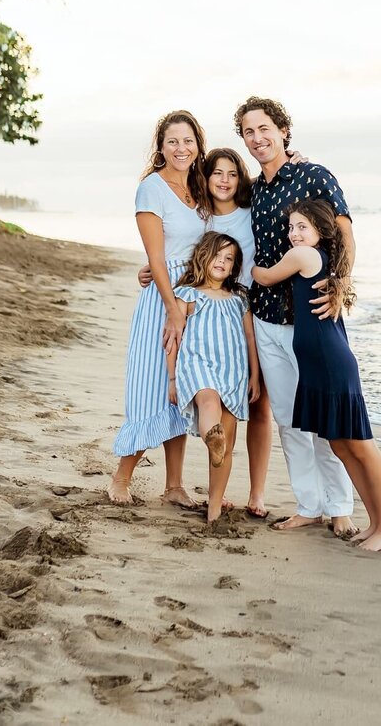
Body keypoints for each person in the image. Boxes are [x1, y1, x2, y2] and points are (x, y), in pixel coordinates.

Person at [235, 95, 358, 535]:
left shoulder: (314, 175)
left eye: (264, 128)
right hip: (266, 318)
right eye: (249, 132)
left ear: (283, 130)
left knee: (325, 419)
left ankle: (339, 506)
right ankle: (308, 504)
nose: (257, 138)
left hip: (312, 317)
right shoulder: (254, 190)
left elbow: (343, 228)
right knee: (289, 419)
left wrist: (341, 283)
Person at [253, 199, 381, 551]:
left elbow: (265, 276)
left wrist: (247, 261)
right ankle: (375, 522)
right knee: (339, 444)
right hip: (316, 366)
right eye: (291, 228)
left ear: (321, 231)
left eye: (302, 226)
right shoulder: (320, 260)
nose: (294, 234)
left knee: (361, 446)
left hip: (331, 363)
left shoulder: (306, 256)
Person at [108, 110, 209, 507]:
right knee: (152, 386)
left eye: (188, 141)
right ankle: (122, 476)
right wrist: (172, 309)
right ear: (161, 147)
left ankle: (174, 486)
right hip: (164, 302)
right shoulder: (152, 188)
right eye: (172, 142)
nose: (181, 148)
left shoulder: (200, 189)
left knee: (179, 392)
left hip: (196, 299)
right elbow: (157, 255)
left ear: (198, 145)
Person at [199, 147, 273, 519]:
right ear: (207, 177)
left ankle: (257, 492)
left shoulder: (251, 213)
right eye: (217, 173)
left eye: (232, 173)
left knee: (258, 405)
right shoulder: (199, 216)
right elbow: (181, 257)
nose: (225, 180)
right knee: (215, 402)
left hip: (251, 311)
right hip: (210, 322)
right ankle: (216, 490)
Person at [167, 231, 261, 524]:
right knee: (209, 402)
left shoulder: (239, 298)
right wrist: (172, 378)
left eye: (229, 258)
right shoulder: (187, 294)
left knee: (228, 440)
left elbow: (249, 338)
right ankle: (213, 437)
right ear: (203, 257)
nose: (222, 261)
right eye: (217, 255)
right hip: (198, 364)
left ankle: (215, 509)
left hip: (233, 369)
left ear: (235, 266)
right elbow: (173, 337)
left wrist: (254, 376)